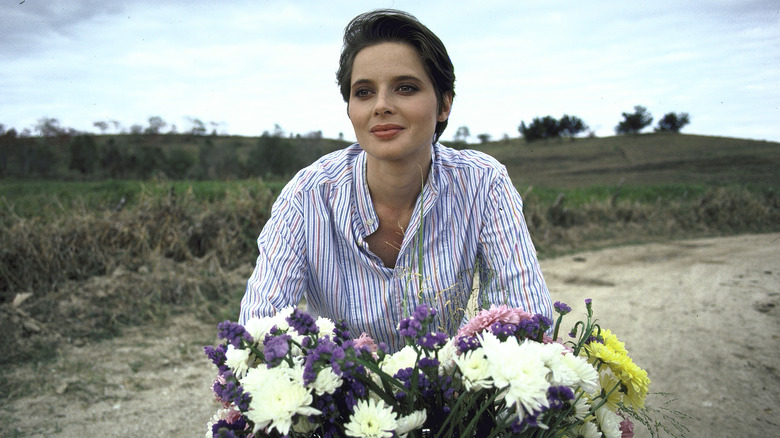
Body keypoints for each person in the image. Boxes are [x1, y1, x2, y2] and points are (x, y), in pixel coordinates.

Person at [239, 9, 552, 352]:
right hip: (341, 395)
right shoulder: (308, 195)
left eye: (405, 88)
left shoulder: (483, 182)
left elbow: (525, 320)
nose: (382, 106)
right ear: (349, 108)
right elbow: (257, 334)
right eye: (364, 92)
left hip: (456, 396)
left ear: (444, 104)